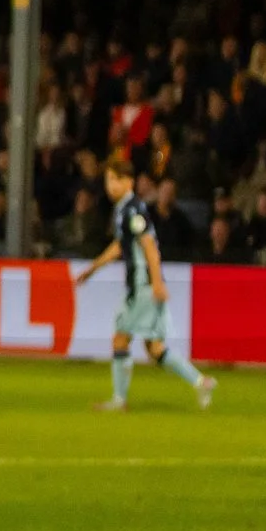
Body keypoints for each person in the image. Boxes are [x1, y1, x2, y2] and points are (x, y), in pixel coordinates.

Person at [75, 156, 214, 412]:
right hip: (144, 287)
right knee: (155, 349)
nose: (109, 186)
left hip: (143, 287)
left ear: (127, 181)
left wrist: (158, 283)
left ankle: (119, 400)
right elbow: (121, 246)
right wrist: (93, 268)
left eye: (113, 180)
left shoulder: (133, 210)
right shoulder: (124, 210)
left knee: (120, 338)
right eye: (107, 180)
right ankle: (201, 381)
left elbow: (149, 246)